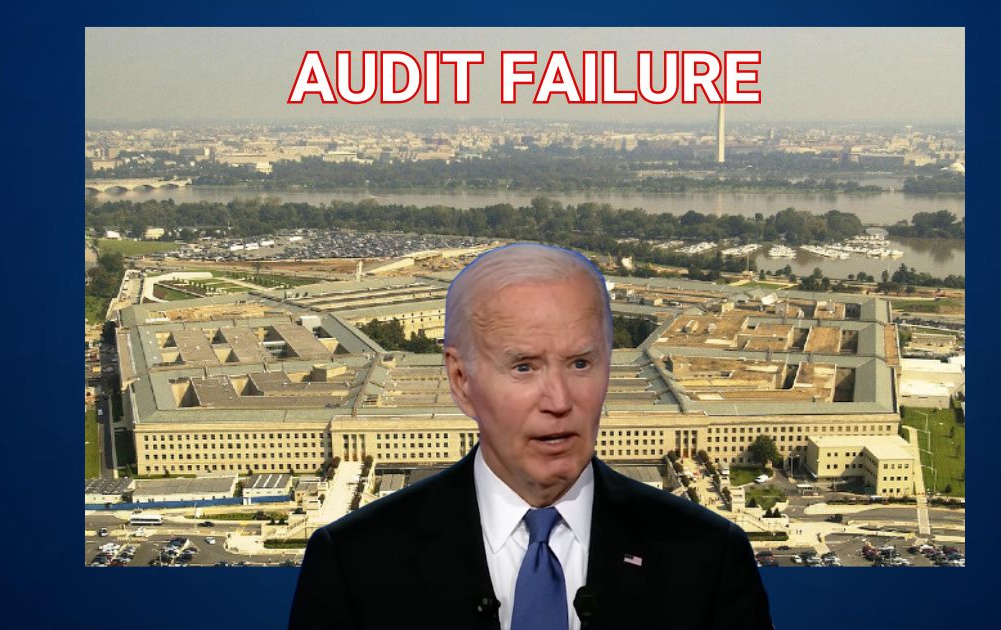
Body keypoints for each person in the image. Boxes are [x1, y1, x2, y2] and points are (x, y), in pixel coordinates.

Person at [289, 243, 773, 629]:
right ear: (460, 380)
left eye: (581, 363)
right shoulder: (355, 563)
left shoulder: (708, 557)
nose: (559, 400)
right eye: (524, 367)